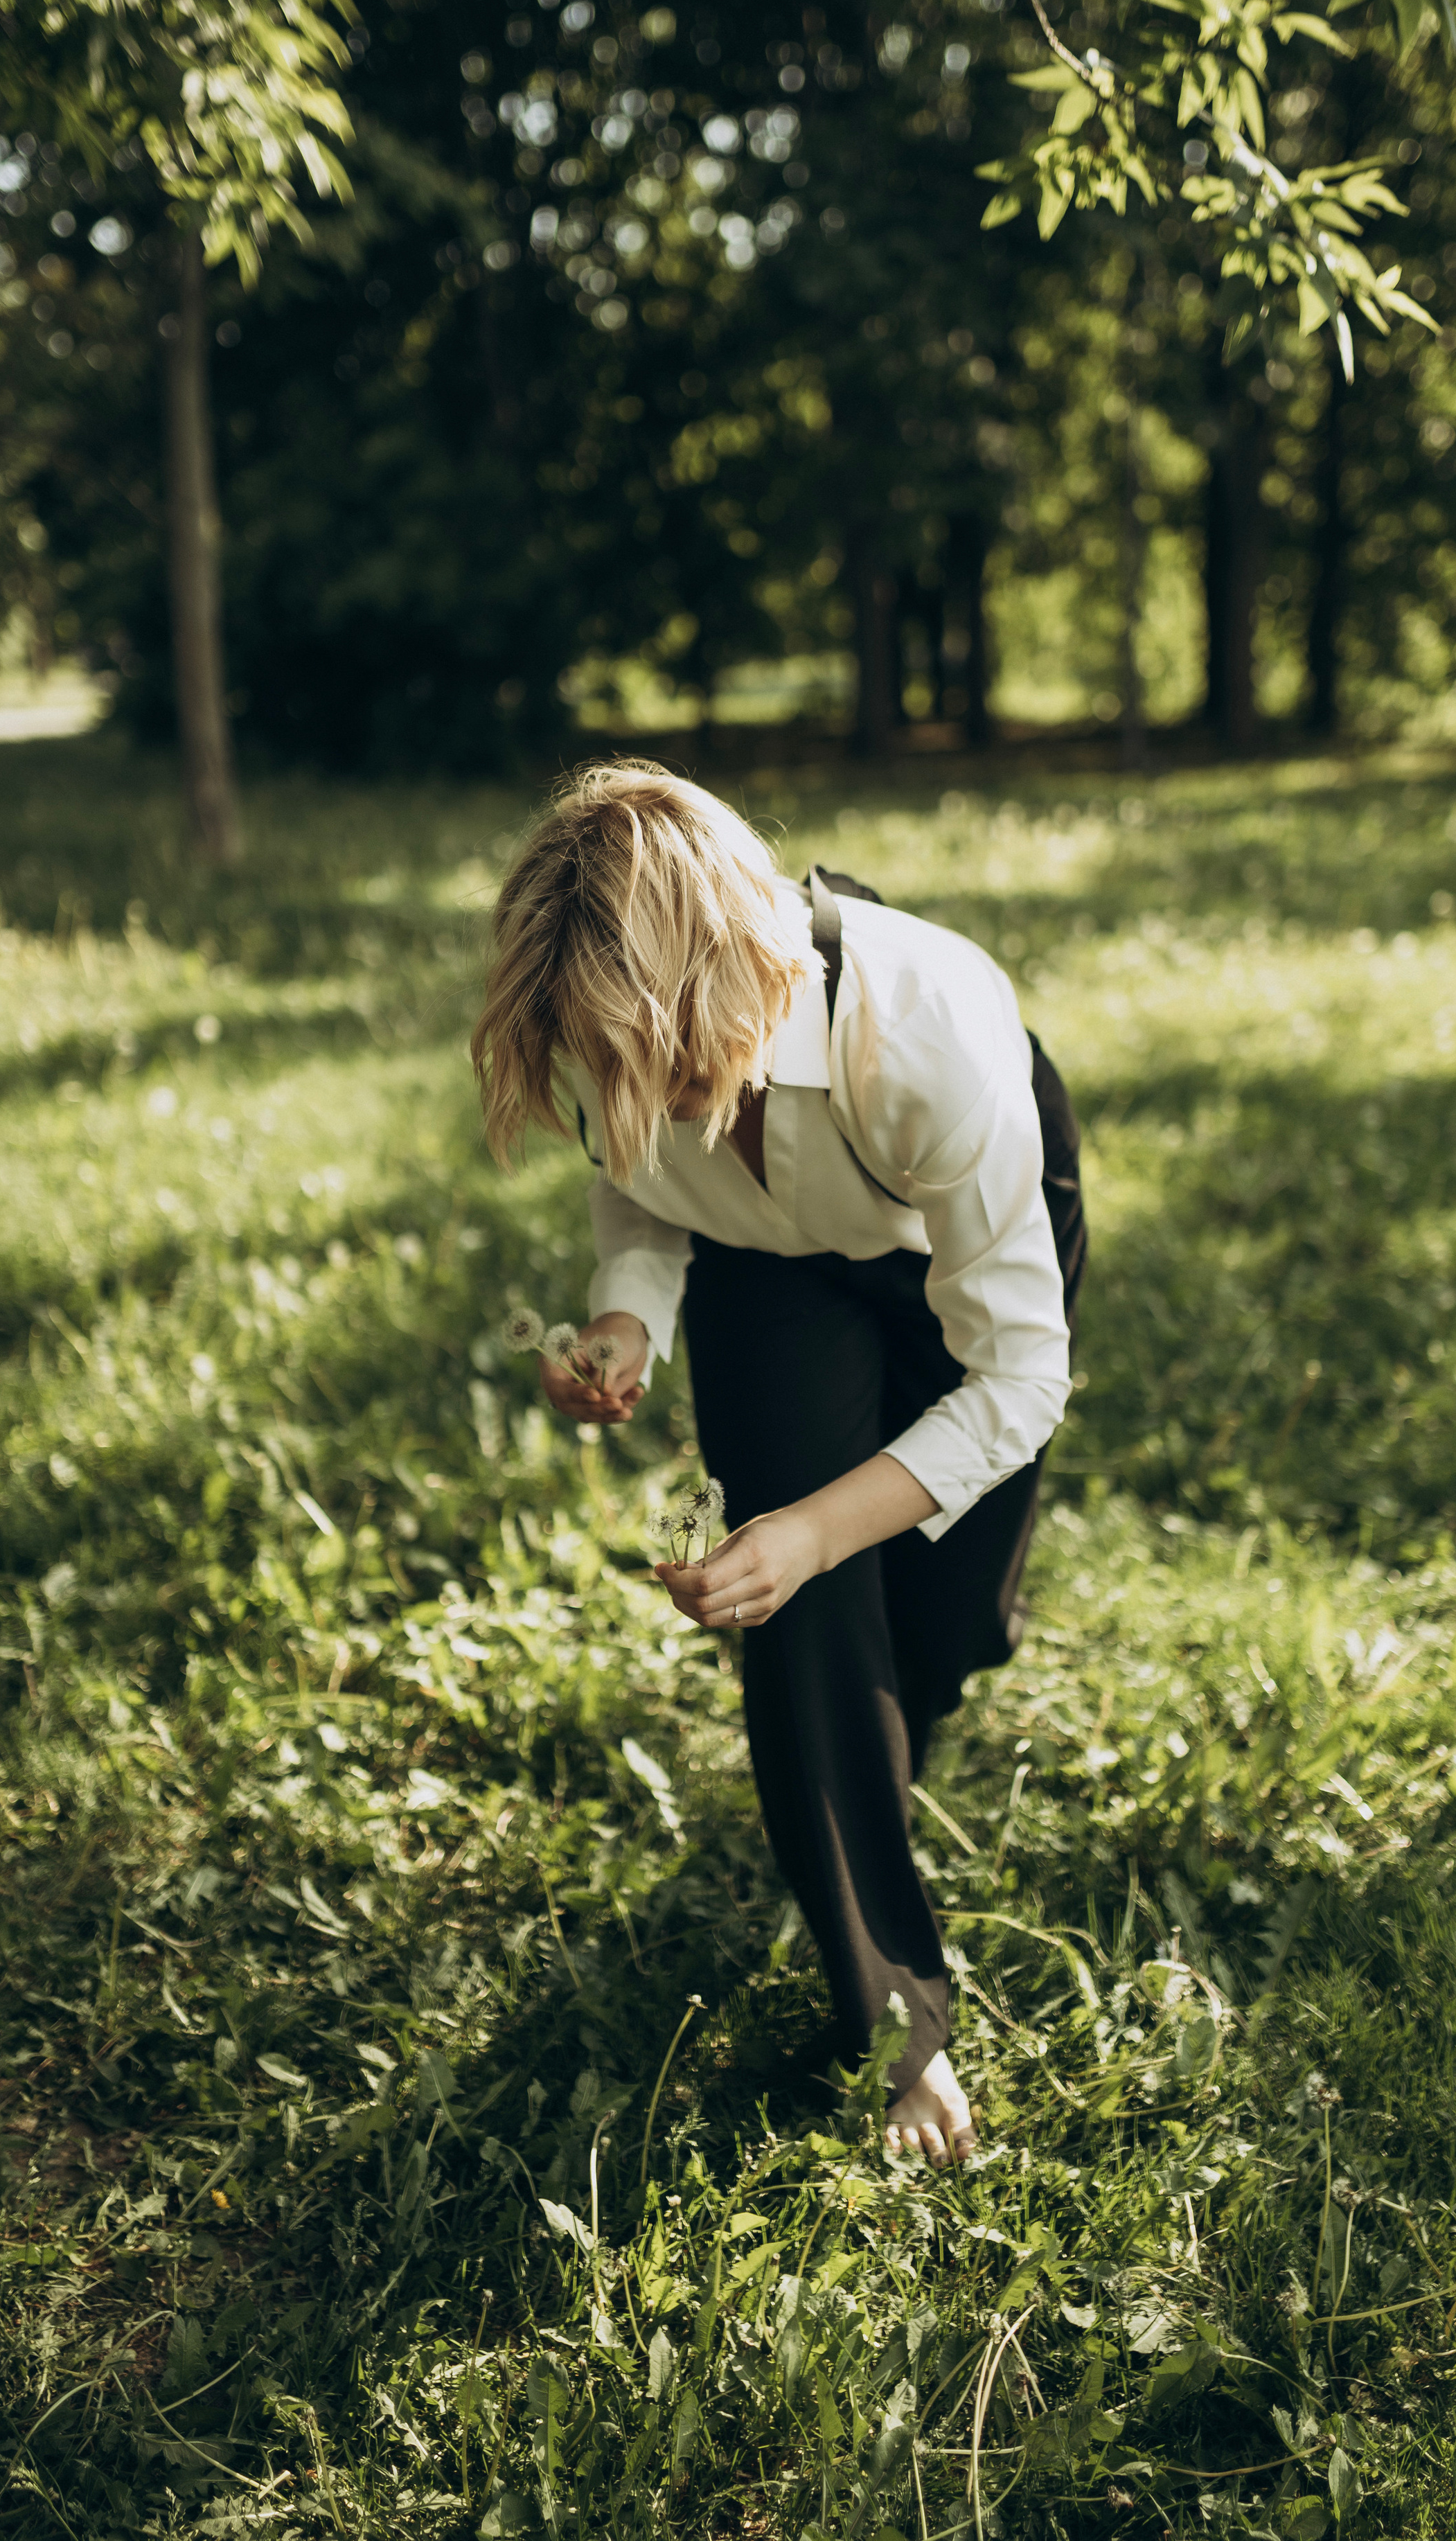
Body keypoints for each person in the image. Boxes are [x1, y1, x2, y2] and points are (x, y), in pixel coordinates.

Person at [472, 762, 1085, 2163]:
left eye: (671, 1069)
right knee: (798, 1617)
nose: (658, 1107)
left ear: (745, 971)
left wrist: (829, 1523)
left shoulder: (926, 1038)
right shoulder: (606, 1037)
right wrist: (630, 1316)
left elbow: (1017, 1379)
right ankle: (899, 2025)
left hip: (947, 1239)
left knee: (941, 1618)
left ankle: (893, 1720)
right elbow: (639, 1181)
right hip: (770, 1272)